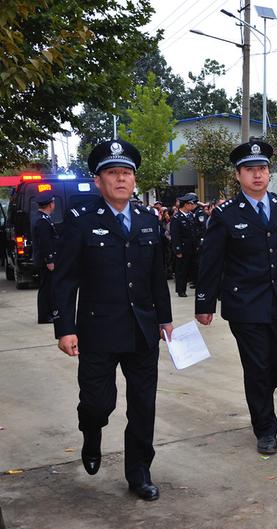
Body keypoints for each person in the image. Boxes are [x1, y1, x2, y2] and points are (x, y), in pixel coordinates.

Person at [52, 139, 173, 501]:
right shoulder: (82, 220)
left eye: (126, 173)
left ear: (134, 180)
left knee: (143, 406)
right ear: (99, 180)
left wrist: (165, 319)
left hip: (142, 330)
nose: (121, 180)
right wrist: (65, 328)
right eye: (113, 173)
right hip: (98, 330)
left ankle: (139, 473)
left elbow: (156, 278)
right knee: (97, 404)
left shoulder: (148, 220)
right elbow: (64, 279)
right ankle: (92, 432)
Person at [195, 140, 277, 454]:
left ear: (269, 173)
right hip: (245, 304)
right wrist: (204, 304)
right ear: (238, 175)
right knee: (257, 366)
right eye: (250, 169)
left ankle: (259, 395)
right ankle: (265, 429)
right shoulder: (225, 214)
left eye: (262, 168)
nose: (257, 175)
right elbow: (210, 261)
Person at [32, 191, 60, 323]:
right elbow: (45, 242)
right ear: (50, 204)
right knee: (46, 288)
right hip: (45, 261)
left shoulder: (44, 218)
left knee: (49, 287)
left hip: (45, 259)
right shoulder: (42, 221)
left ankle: (49, 312)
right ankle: (45, 315)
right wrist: (49, 259)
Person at [171, 194, 198, 297]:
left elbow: (194, 232)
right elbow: (175, 235)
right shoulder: (176, 218)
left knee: (194, 268)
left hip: (192, 247)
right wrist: (177, 250)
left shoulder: (191, 215)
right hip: (182, 248)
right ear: (186, 204)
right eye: (192, 204)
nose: (193, 206)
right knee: (181, 270)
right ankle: (181, 290)